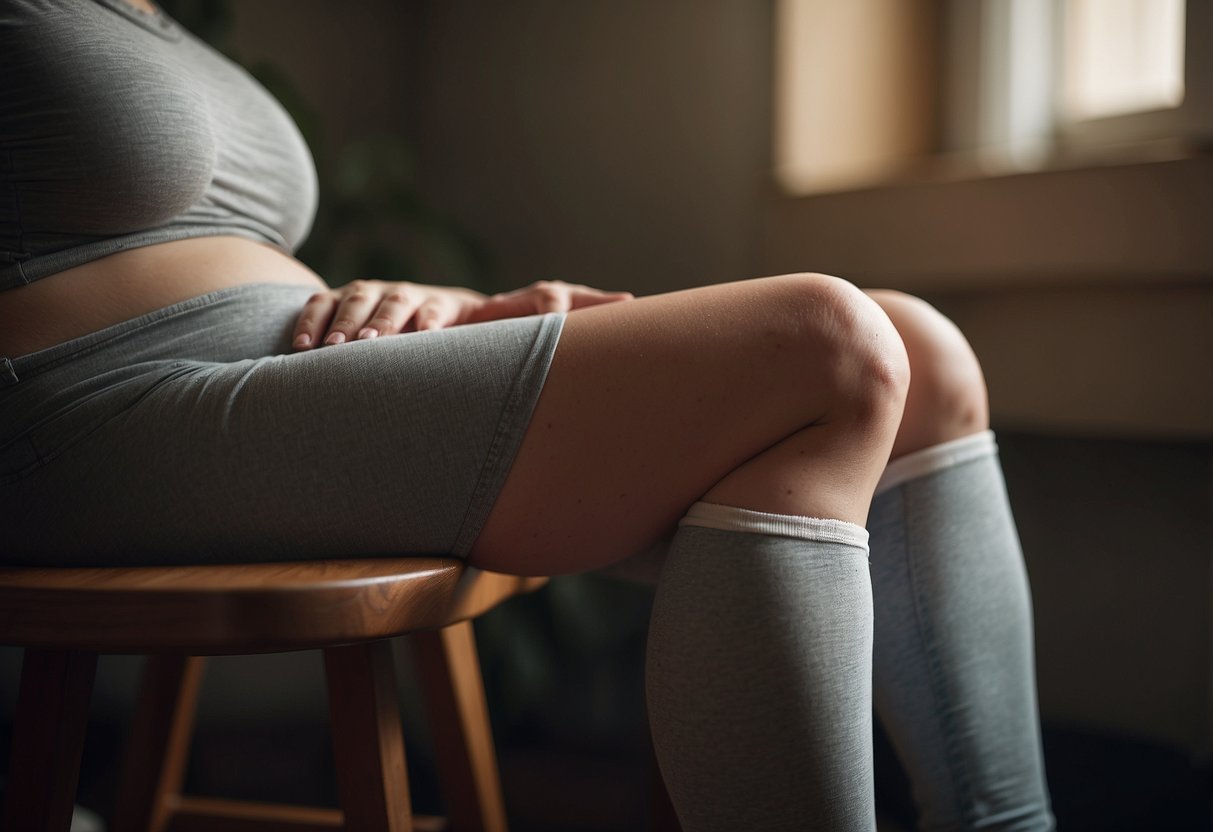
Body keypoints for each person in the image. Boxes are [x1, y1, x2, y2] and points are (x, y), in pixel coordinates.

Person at [0, 1, 1055, 829]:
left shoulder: (148, 15)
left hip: (289, 371)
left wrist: (448, 309)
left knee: (918, 351)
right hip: (86, 412)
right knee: (824, 342)